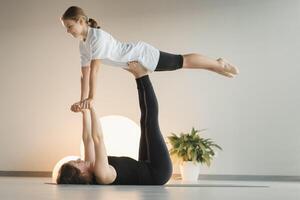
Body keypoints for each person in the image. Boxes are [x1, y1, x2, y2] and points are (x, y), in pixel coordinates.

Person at [60, 6, 239, 111]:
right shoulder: (83, 44)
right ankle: (215, 67)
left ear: (81, 21)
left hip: (141, 54)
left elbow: (95, 69)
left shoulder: (96, 37)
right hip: (136, 60)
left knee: (182, 61)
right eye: (66, 29)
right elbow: (84, 74)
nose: (68, 31)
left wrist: (91, 97)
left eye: (69, 26)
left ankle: (218, 63)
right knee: (182, 63)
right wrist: (83, 99)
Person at [56, 62, 173, 185]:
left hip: (144, 165)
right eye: (76, 163)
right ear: (82, 174)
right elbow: (98, 139)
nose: (79, 159)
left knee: (145, 120)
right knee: (150, 121)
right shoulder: (102, 174)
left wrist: (84, 107)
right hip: (158, 172)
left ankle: (139, 76)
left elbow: (87, 139)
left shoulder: (90, 165)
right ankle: (142, 75)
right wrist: (91, 108)